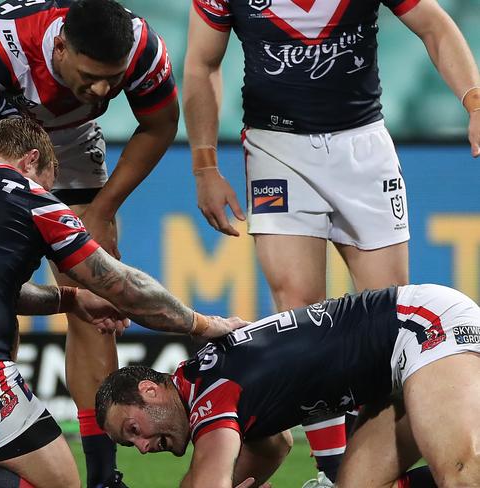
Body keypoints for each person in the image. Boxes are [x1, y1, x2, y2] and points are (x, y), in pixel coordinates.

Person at [183, 0, 480, 483]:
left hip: (363, 145)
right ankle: (330, 470)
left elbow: (433, 23)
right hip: (276, 147)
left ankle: (376, 470)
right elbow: (201, 63)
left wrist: (475, 100)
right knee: (298, 310)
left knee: (387, 325)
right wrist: (204, 165)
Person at [0, 118, 247, 488]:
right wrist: (199, 323)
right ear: (31, 161)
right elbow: (122, 285)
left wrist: (69, 298)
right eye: (50, 181)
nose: (51, 191)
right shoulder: (30, 197)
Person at [0, 0, 179, 484]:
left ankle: (103, 476)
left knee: (98, 304)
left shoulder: (142, 47)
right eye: (90, 75)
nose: (103, 89)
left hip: (72, 142)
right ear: (60, 46)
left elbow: (161, 123)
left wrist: (102, 210)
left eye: (112, 79)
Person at [97, 283, 480, 488]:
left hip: (420, 325)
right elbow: (273, 446)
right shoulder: (203, 382)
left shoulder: (208, 398)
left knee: (462, 474)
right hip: (391, 373)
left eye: (134, 430)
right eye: (131, 444)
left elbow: (207, 479)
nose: (143, 447)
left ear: (150, 391)